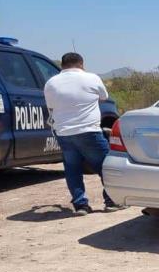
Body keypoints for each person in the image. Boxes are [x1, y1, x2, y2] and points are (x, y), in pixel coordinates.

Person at [44, 52, 123, 215]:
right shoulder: (92, 78)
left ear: (62, 65)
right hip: (88, 131)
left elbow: (51, 105)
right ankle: (111, 201)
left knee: (72, 169)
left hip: (64, 133)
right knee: (105, 166)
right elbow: (104, 97)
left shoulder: (51, 83)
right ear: (81, 64)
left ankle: (81, 205)